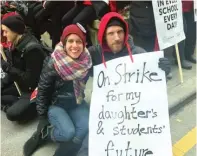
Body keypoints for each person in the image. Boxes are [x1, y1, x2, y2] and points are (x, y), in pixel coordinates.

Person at [56, 12, 171, 156]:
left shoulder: (139, 54)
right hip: (106, 117)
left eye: (120, 32)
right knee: (87, 151)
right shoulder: (95, 54)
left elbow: (155, 88)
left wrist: (162, 72)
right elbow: (71, 56)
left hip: (134, 118)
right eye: (111, 33)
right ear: (103, 35)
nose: (117, 38)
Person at [23, 23, 92, 156]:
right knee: (68, 133)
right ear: (64, 43)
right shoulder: (53, 62)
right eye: (70, 41)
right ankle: (46, 135)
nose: (75, 45)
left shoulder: (86, 60)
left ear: (84, 44)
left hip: (76, 102)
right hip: (56, 105)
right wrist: (42, 117)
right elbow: (42, 91)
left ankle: (69, 148)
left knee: (85, 128)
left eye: (79, 41)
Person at [1, 15, 47, 121]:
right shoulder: (15, 44)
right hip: (21, 83)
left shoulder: (32, 49)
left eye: (6, 31)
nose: (4, 34)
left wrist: (7, 67)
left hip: (34, 89)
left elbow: (30, 81)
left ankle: (24, 106)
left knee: (12, 114)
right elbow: (15, 71)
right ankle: (17, 101)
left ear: (15, 30)